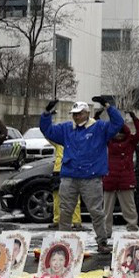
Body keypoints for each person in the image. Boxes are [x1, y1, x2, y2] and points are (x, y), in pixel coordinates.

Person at [40, 97, 125, 253]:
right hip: (69, 176)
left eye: (79, 113)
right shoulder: (67, 128)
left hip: (91, 178)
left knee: (96, 212)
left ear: (87, 113)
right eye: (74, 114)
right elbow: (47, 130)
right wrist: (46, 113)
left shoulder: (99, 127)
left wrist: (109, 106)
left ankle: (102, 241)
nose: (76, 116)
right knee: (65, 210)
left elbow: (118, 123)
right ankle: (63, 241)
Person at [100, 110, 139, 244]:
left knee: (129, 208)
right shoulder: (108, 141)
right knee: (107, 210)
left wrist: (135, 118)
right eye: (117, 133)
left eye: (121, 133)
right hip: (111, 179)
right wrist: (98, 118)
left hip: (125, 180)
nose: (119, 135)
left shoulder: (131, 141)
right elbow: (100, 131)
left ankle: (132, 230)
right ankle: (106, 232)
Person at [51, 144, 83, 231]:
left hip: (66, 169)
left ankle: (74, 220)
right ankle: (61, 220)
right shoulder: (66, 139)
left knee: (71, 196)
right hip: (63, 170)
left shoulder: (74, 139)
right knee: (59, 196)